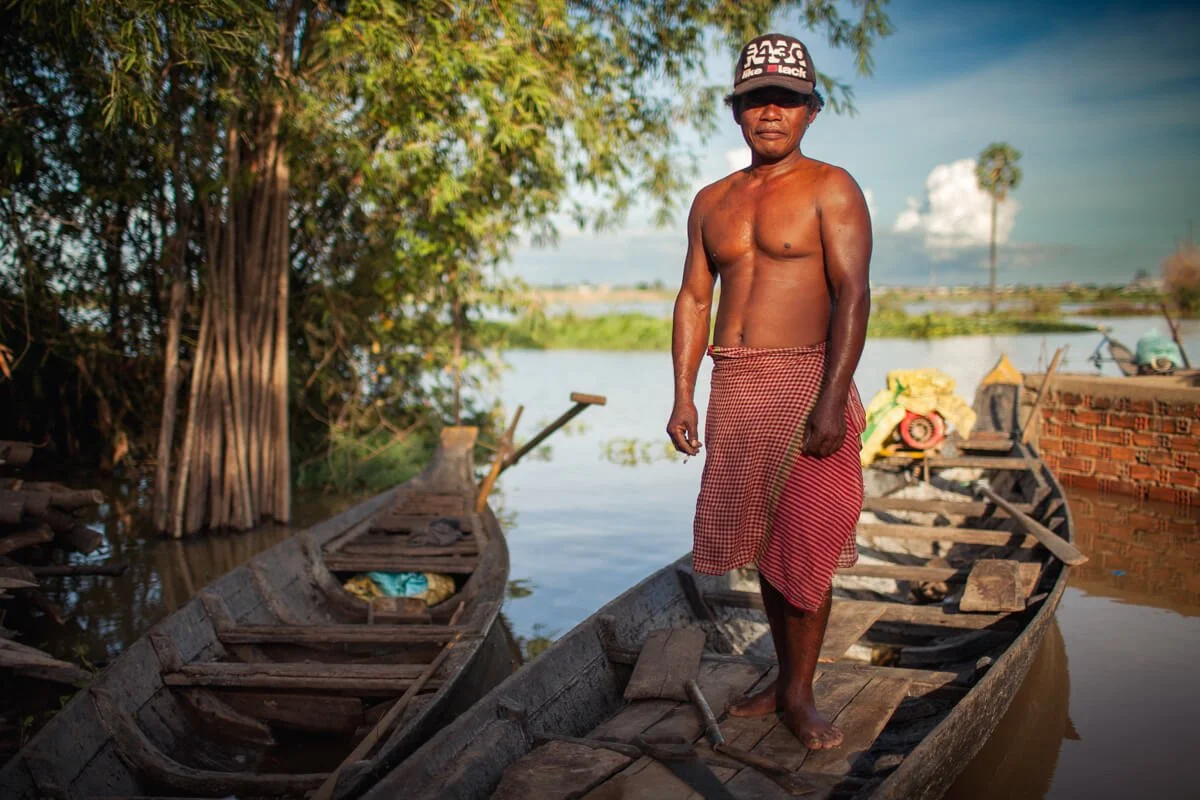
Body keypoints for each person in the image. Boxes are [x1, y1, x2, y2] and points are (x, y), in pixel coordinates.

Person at [666, 32, 871, 751]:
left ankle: (801, 696)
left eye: (786, 98)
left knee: (808, 543)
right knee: (764, 544)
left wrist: (831, 396)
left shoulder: (830, 187)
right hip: (737, 386)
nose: (771, 111)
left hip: (807, 379)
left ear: (812, 109)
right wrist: (684, 395)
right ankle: (783, 681)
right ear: (737, 112)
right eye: (757, 99)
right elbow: (694, 300)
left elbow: (852, 294)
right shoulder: (711, 202)